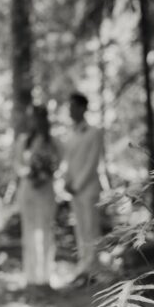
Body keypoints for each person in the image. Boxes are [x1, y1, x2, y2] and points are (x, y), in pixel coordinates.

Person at [13, 105, 59, 288]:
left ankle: (46, 276)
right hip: (27, 189)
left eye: (40, 117)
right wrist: (29, 174)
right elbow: (17, 164)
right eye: (33, 118)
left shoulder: (53, 142)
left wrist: (46, 175)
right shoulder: (23, 141)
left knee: (46, 231)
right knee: (29, 233)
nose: (36, 121)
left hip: (46, 190)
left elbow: (60, 163)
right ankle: (31, 277)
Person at [62, 92, 104, 287]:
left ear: (82, 108)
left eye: (73, 106)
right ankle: (83, 269)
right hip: (74, 191)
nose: (70, 110)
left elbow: (92, 163)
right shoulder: (70, 134)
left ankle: (92, 272)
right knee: (80, 230)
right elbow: (69, 163)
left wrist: (77, 185)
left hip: (89, 189)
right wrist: (67, 182)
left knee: (91, 230)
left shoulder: (94, 132)